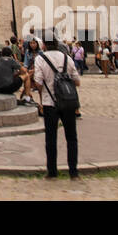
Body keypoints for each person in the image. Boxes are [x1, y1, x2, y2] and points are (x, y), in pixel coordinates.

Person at [33, 34, 81, 179]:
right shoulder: (67, 58)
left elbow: (38, 83)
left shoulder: (40, 59)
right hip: (68, 102)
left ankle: (52, 172)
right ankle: (73, 172)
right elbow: (77, 81)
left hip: (50, 103)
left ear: (44, 45)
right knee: (72, 138)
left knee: (51, 138)